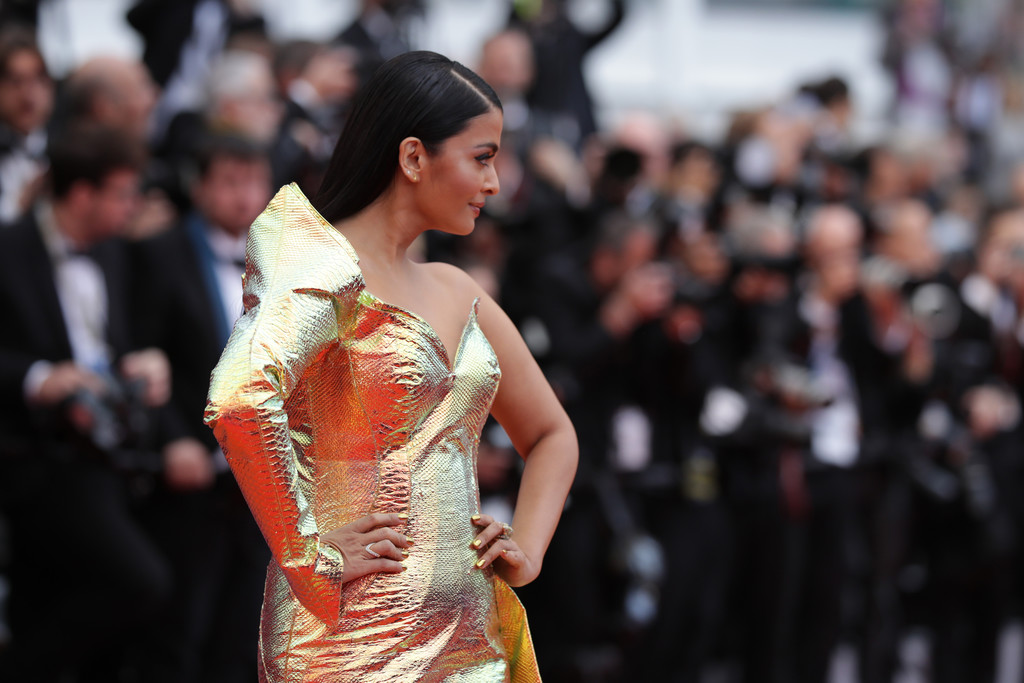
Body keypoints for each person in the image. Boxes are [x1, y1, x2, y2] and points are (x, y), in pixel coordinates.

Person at [204, 51, 578, 681]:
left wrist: (529, 547)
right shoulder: (319, 267)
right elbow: (240, 399)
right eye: (482, 158)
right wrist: (306, 555)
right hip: (343, 640)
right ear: (413, 158)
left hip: (471, 639)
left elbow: (551, 434)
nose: (494, 183)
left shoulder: (458, 289)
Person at [0, 124, 172, 682]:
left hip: (112, 454)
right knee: (140, 581)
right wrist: (39, 378)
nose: (132, 207)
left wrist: (144, 365)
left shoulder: (115, 254)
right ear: (81, 194)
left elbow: (115, 344)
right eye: (122, 194)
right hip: (38, 459)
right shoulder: (10, 248)